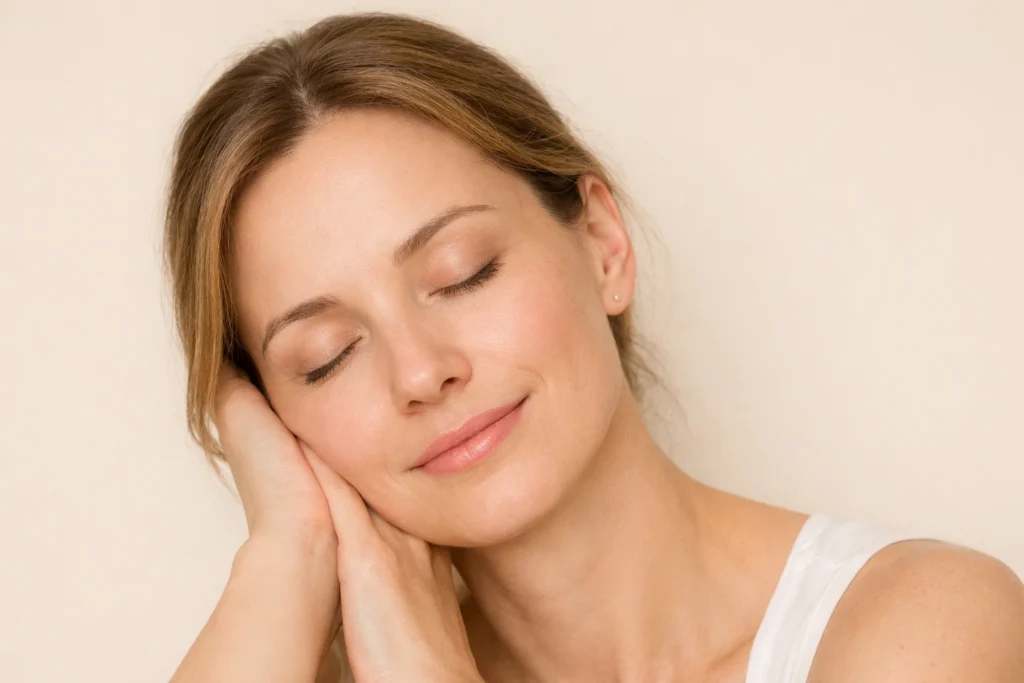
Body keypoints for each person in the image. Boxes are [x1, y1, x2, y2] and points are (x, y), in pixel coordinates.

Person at [162, 12, 1024, 683]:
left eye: (463, 273)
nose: (422, 371)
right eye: (326, 356)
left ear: (604, 244)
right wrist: (287, 553)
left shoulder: (920, 626)